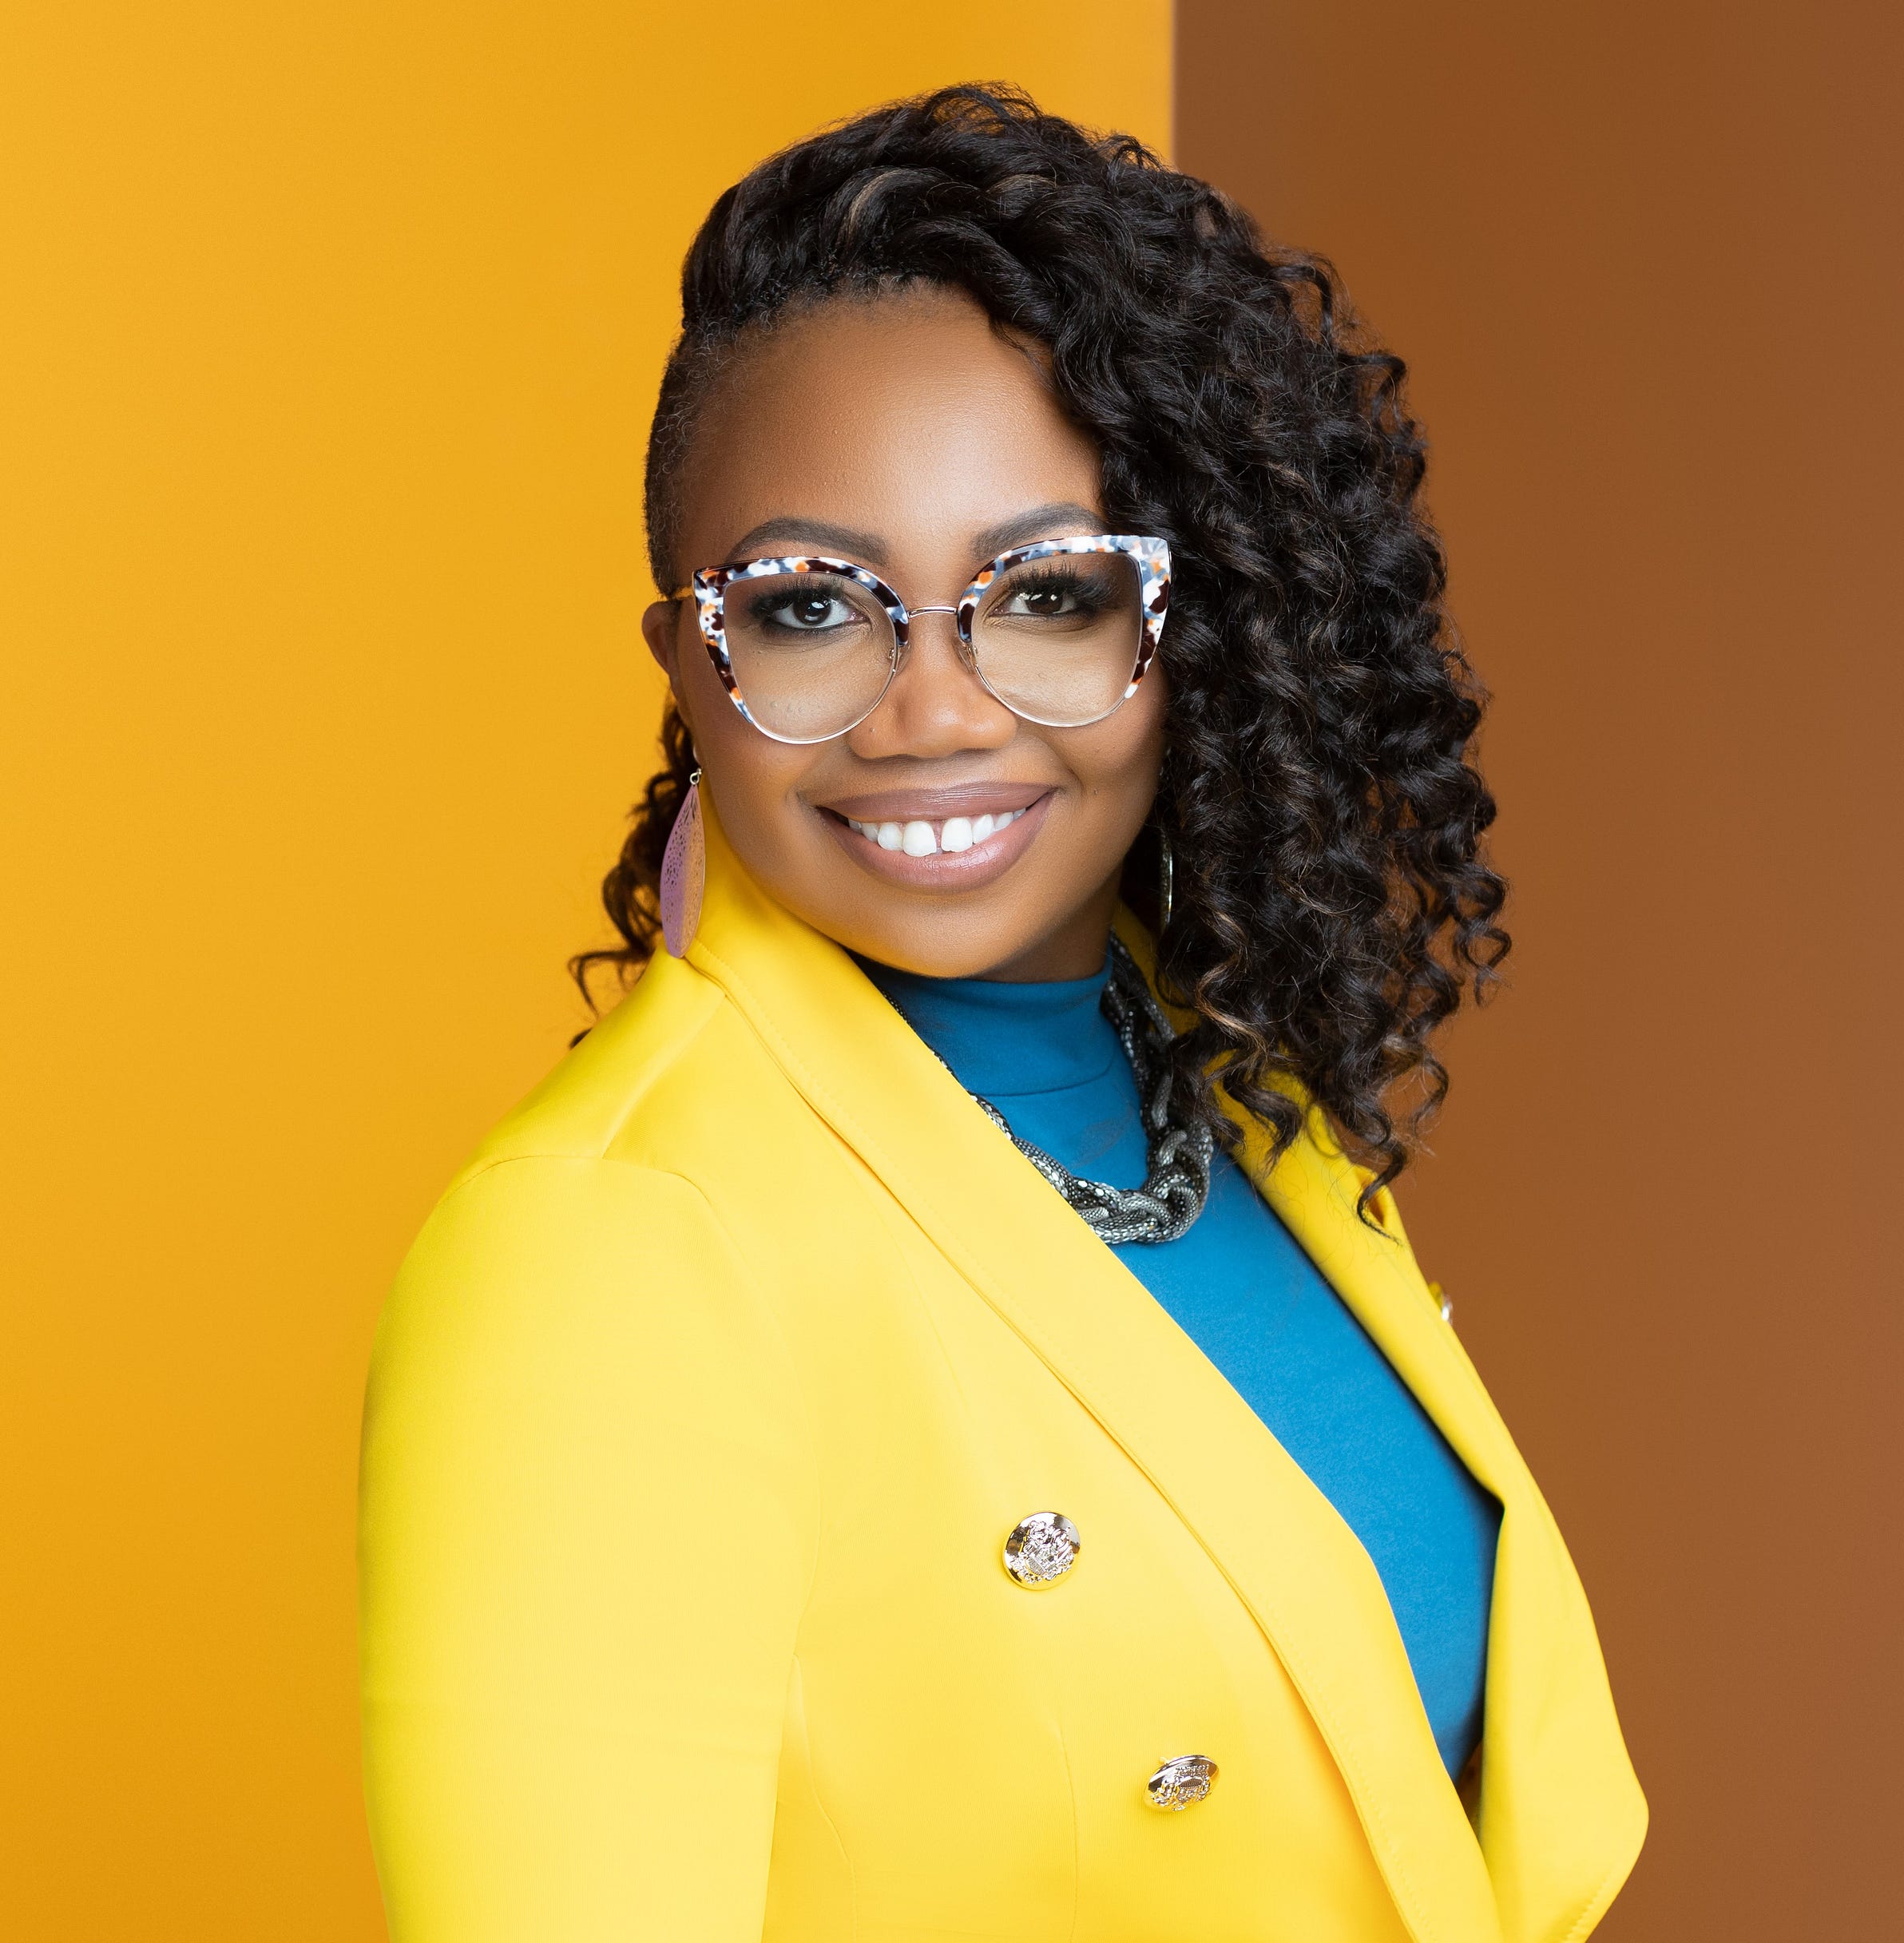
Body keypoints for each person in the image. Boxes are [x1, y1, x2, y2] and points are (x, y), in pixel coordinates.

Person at [359, 85, 1644, 1942]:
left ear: (1179, 633)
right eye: (811, 609)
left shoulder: (1232, 1094)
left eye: (1044, 591)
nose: (936, 712)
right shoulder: (612, 1246)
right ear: (689, 663)